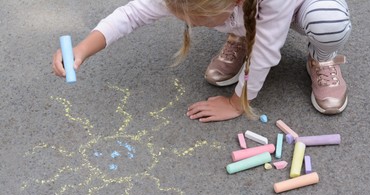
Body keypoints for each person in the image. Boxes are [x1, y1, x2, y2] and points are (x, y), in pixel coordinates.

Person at [52, 0, 352, 122]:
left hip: (302, 5)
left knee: (330, 22)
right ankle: (239, 35)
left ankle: (322, 58)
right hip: (244, 10)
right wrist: (83, 49)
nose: (192, 26)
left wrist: (236, 103)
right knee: (240, 26)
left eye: (203, 22)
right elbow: (132, 14)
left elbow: (266, 51)